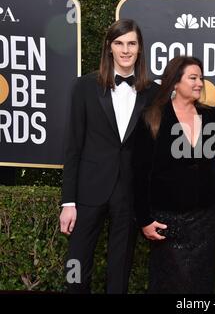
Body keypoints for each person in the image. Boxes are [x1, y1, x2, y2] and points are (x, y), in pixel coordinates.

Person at [59, 19, 159, 293]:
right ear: (109, 47)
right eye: (119, 43)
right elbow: (73, 146)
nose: (125, 50)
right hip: (89, 189)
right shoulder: (84, 87)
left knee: (120, 264)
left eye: (131, 44)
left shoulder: (154, 92)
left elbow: (156, 149)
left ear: (139, 49)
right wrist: (68, 201)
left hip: (128, 190)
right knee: (76, 261)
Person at [132, 56, 215, 294]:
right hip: (166, 219)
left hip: (206, 218)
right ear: (174, 83)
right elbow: (139, 174)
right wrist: (144, 220)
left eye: (200, 78)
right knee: (168, 283)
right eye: (193, 78)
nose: (200, 83)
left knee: (201, 283)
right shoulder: (152, 117)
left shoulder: (213, 116)